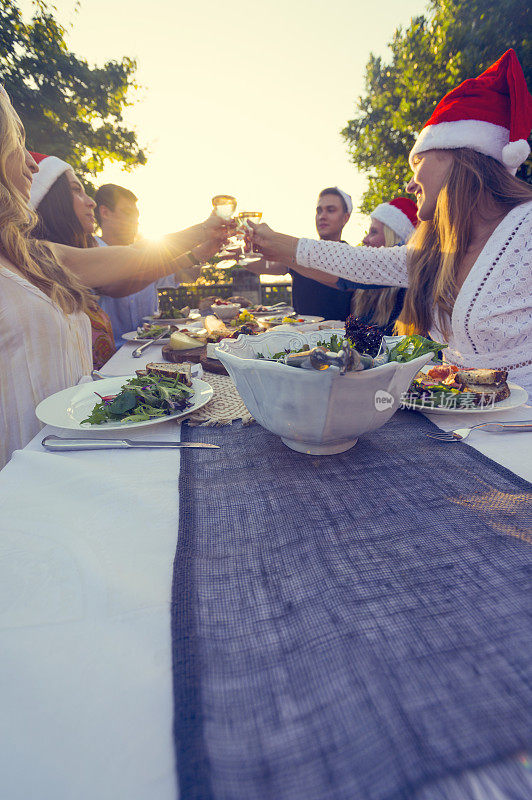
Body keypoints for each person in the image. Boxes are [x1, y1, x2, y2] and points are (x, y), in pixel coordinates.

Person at [250, 49, 532, 392]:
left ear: (457, 157)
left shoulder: (525, 228)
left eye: (418, 164)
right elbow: (359, 265)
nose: (411, 184)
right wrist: (275, 242)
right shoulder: (438, 248)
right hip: (457, 427)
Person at [0, 85, 230, 468]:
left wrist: (200, 236)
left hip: (78, 455)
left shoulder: (38, 256)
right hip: (22, 479)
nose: (32, 162)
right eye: (16, 140)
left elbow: (135, 259)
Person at [29, 152, 117, 369]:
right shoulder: (43, 258)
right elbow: (138, 261)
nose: (92, 203)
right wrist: (198, 236)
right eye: (76, 190)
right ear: (50, 201)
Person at [94, 183, 209, 346]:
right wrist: (200, 238)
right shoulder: (91, 251)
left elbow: (186, 275)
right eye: (127, 213)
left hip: (151, 347)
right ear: (105, 212)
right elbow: (112, 286)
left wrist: (200, 257)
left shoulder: (146, 254)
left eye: (137, 216)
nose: (135, 222)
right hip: (109, 356)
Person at [246, 187, 354, 320]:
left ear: (345, 217)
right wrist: (239, 255)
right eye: (319, 211)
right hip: (300, 336)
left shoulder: (350, 257)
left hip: (337, 337)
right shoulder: (300, 253)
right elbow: (261, 265)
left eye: (330, 210)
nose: (322, 216)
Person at [339, 197, 418, 335]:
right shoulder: (365, 292)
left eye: (373, 232)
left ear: (393, 241)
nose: (365, 239)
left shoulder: (407, 296)